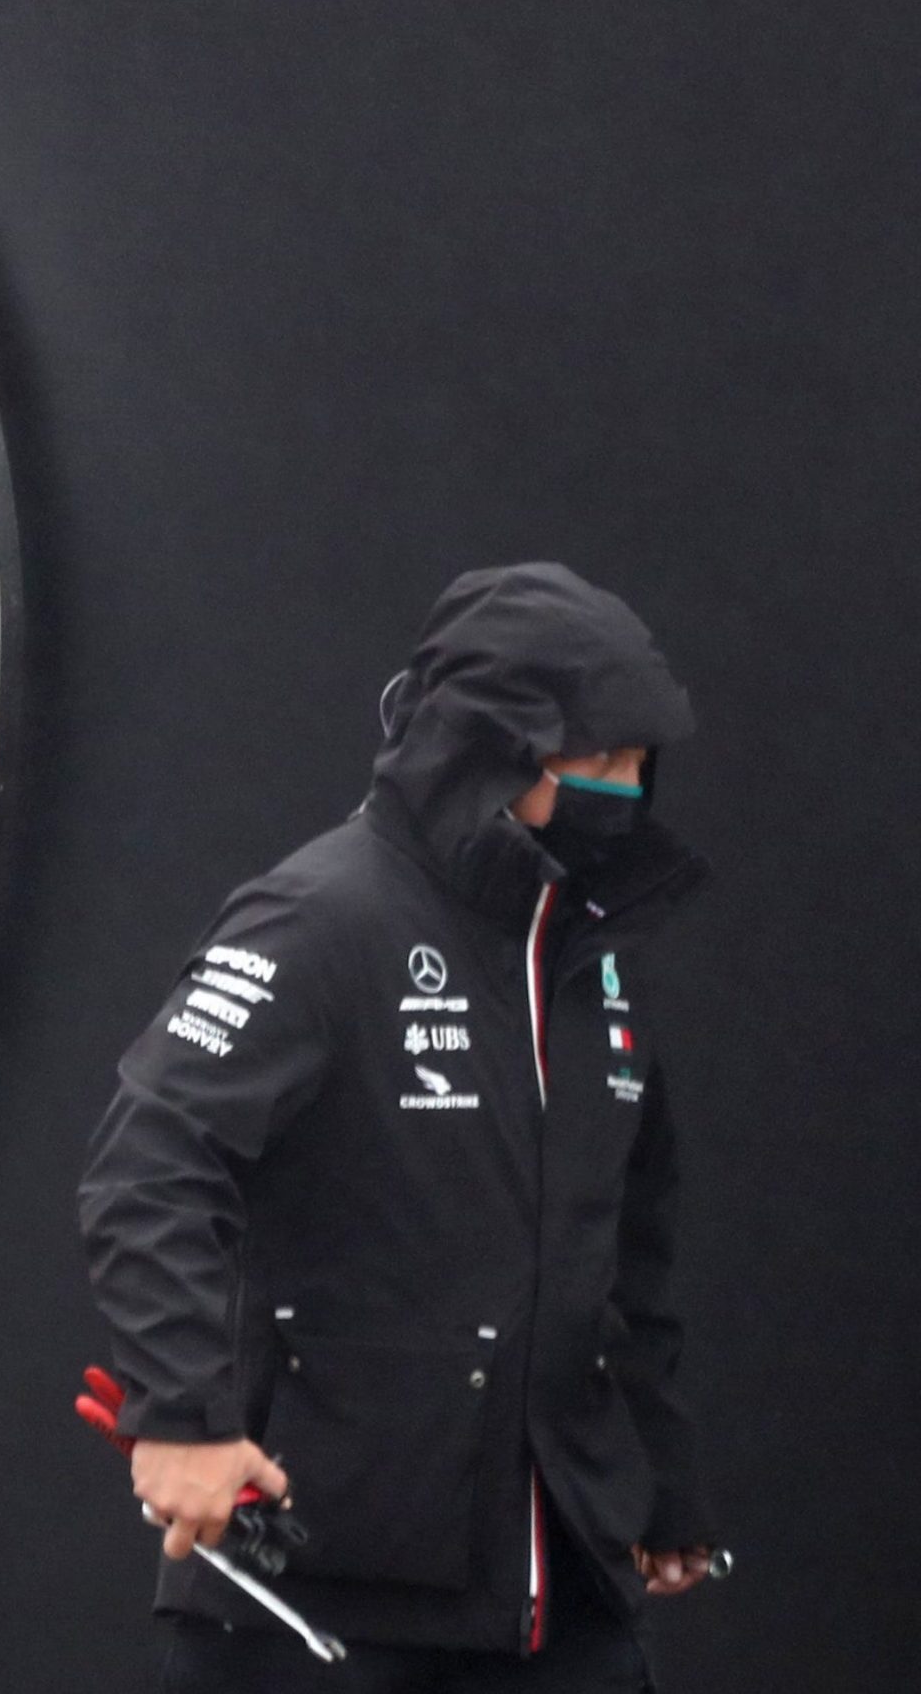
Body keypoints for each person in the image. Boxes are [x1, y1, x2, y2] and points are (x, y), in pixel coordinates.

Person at [79, 563, 721, 1691]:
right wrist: (180, 1416)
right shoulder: (322, 918)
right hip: (316, 1601)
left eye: (635, 765)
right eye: (592, 762)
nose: (619, 792)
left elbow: (627, 1254)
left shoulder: (593, 965)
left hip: (563, 1590)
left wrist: (655, 1479)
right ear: (487, 747)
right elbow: (150, 1160)